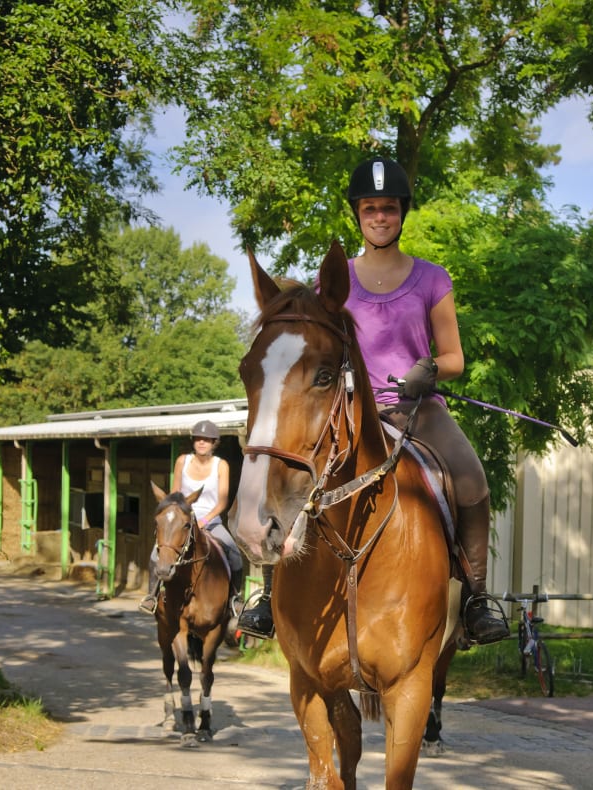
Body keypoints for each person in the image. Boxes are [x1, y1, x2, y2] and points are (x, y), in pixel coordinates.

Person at [239, 156, 509, 646]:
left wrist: (427, 370)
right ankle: (270, 592)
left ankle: (475, 598)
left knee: (471, 479)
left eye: (388, 208)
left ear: (402, 212)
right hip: (347, 411)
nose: (379, 216)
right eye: (370, 208)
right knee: (288, 469)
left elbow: (454, 358)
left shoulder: (432, 279)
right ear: (358, 215)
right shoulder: (331, 283)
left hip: (416, 409)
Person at [139, 420, 243, 614]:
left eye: (207, 439)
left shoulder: (221, 466)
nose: (202, 442)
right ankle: (151, 596)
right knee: (156, 553)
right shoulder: (182, 461)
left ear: (214, 443)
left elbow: (221, 502)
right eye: (198, 439)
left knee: (234, 553)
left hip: (210, 522)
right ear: (193, 442)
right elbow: (174, 495)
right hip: (182, 520)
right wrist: (177, 517)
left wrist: (203, 521)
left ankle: (234, 599)